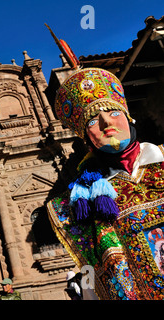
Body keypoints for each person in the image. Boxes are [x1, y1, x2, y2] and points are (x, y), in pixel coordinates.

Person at [47, 67, 164, 300]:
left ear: (128, 117)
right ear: (85, 137)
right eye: (92, 120)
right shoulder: (75, 205)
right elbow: (92, 280)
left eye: (112, 111)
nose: (105, 122)